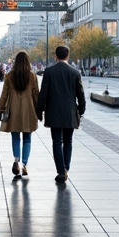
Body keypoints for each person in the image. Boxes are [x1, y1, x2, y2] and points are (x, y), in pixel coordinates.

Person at [37, 44, 86, 185]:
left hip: (54, 112)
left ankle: (60, 170)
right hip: (70, 112)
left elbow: (43, 93)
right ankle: (66, 168)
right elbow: (80, 94)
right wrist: (81, 110)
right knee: (68, 141)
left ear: (56, 56)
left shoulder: (49, 71)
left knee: (57, 142)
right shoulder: (75, 73)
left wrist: (39, 110)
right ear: (68, 56)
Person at [0, 50, 40, 177]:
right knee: (27, 139)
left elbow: (4, 95)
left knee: (15, 138)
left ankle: (16, 160)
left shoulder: (9, 76)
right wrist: (40, 109)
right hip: (29, 111)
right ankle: (24, 164)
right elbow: (36, 94)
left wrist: (0, 109)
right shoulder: (32, 76)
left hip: (13, 111)